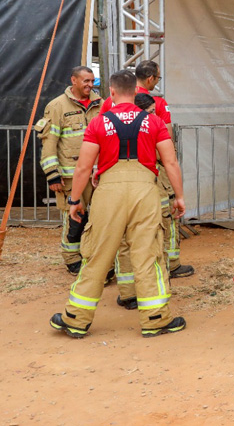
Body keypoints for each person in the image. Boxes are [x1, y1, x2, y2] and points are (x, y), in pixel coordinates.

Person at [49, 70, 186, 339]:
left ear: (111, 92)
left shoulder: (98, 123)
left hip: (108, 192)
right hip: (145, 191)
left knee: (97, 255)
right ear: (135, 91)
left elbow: (83, 167)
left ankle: (76, 318)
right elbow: (170, 162)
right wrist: (179, 197)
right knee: (148, 255)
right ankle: (155, 319)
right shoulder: (154, 121)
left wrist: (74, 200)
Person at [102, 60, 193, 279]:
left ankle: (114, 273)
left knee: (119, 227)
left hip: (114, 174)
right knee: (162, 218)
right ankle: (169, 264)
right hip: (151, 172)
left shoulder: (108, 105)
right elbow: (167, 143)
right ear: (150, 78)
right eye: (157, 78)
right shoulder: (156, 104)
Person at [36, 66, 103, 274]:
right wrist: (52, 174)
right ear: (74, 80)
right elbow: (49, 143)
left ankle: (92, 255)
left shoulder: (101, 104)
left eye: (92, 81)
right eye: (86, 81)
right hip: (70, 176)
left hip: (98, 174)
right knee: (74, 218)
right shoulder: (57, 106)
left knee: (99, 217)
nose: (90, 85)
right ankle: (72, 258)